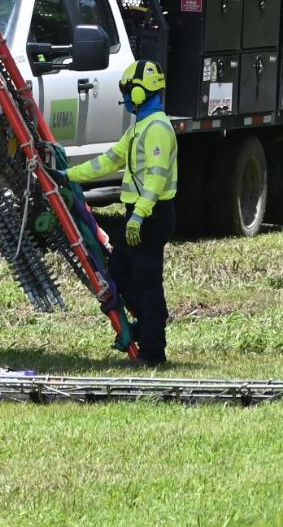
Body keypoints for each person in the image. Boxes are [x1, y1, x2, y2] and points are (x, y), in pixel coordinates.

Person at [64, 59, 178, 366]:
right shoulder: (140, 128)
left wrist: (140, 214)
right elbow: (109, 160)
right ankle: (149, 322)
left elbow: (155, 177)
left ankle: (153, 352)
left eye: (128, 92)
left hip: (151, 215)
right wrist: (68, 175)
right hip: (139, 214)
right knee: (120, 269)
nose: (127, 99)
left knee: (148, 282)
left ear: (141, 93)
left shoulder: (157, 129)